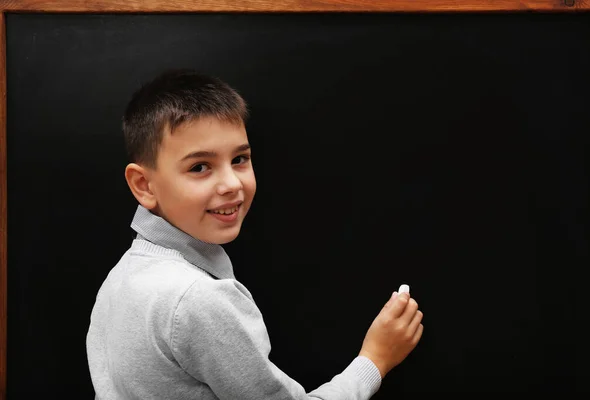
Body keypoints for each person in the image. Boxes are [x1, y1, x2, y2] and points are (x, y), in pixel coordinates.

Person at [86, 69, 424, 400]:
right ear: (144, 185)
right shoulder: (195, 300)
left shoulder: (122, 277)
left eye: (240, 159)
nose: (233, 184)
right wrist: (375, 360)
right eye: (200, 167)